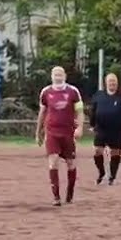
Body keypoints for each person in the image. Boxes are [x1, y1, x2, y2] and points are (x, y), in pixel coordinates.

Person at [35, 66, 84, 206]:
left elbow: (80, 112)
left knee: (71, 163)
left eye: (60, 74)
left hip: (68, 133)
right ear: (51, 76)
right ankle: (56, 197)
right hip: (52, 132)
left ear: (65, 76)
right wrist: (38, 132)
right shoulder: (46, 92)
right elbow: (42, 112)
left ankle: (70, 194)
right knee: (53, 161)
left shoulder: (73, 92)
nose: (58, 77)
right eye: (55, 74)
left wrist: (80, 127)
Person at [87, 72, 121, 185]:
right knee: (97, 151)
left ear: (117, 83)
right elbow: (93, 111)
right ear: (106, 83)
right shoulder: (99, 95)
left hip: (116, 130)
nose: (112, 83)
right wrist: (92, 124)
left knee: (115, 153)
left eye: (114, 81)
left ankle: (112, 176)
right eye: (110, 81)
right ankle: (101, 172)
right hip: (101, 128)